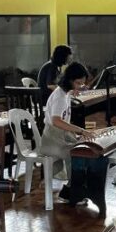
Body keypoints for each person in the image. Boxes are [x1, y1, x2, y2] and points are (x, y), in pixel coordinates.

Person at [40, 62, 96, 198]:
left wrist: (74, 90)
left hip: (60, 136)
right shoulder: (59, 96)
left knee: (84, 149)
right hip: (52, 139)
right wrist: (80, 130)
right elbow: (56, 121)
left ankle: (76, 187)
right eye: (77, 83)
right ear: (69, 80)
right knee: (76, 154)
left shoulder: (64, 92)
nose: (79, 86)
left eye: (81, 83)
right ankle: (72, 191)